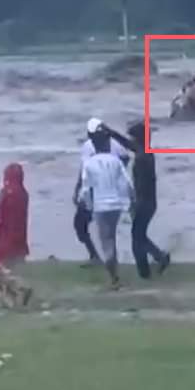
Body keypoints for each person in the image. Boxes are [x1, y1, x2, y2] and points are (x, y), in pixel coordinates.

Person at [103, 121, 171, 279]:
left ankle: (151, 266)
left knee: (137, 238)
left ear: (139, 139)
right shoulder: (145, 152)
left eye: (133, 137)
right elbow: (128, 145)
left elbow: (142, 185)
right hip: (148, 202)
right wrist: (112, 133)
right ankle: (156, 261)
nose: (131, 140)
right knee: (139, 236)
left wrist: (134, 202)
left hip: (144, 203)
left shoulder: (142, 158)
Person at [79, 128, 134, 289]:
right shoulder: (115, 161)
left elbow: (86, 188)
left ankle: (114, 278)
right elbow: (126, 183)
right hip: (115, 205)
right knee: (112, 239)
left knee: (106, 242)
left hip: (100, 206)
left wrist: (88, 205)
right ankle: (115, 275)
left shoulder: (89, 163)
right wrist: (129, 201)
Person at [73, 118, 129, 266]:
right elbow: (125, 158)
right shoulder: (96, 146)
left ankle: (104, 260)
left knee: (96, 229)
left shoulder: (100, 146)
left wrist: (79, 189)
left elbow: (85, 171)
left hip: (97, 193)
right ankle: (102, 258)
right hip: (103, 193)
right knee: (91, 227)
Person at [0, 163, 32, 309]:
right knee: (9, 269)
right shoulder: (23, 194)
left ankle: (22, 287)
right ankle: (11, 304)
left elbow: (0, 218)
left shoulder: (8, 194)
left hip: (5, 238)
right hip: (20, 237)